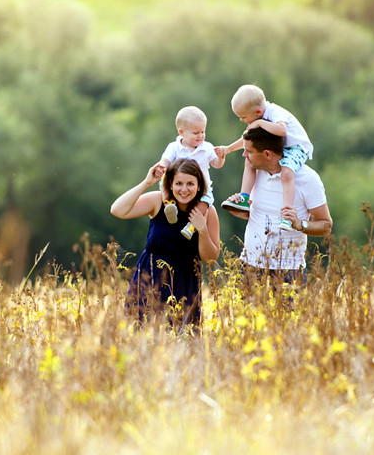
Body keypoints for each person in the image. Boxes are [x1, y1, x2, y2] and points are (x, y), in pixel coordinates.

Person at [110, 158, 220, 325]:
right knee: (140, 331)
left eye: (190, 184)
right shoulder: (158, 201)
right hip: (150, 276)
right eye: (179, 183)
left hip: (185, 281)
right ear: (170, 183)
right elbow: (118, 210)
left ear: (199, 186)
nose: (184, 189)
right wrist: (147, 183)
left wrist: (202, 229)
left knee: (181, 338)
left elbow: (211, 259)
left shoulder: (207, 211)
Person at [223, 126, 332, 282]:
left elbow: (326, 225)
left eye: (249, 151)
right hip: (249, 267)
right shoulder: (254, 173)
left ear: (267, 154)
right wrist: (239, 209)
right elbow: (258, 215)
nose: (244, 154)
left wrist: (299, 224)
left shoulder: (308, 179)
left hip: (289, 272)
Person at [215, 84, 313, 231]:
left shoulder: (274, 113)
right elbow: (248, 140)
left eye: (243, 117)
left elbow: (281, 130)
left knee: (286, 173)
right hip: (279, 147)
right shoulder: (260, 116)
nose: (242, 120)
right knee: (249, 161)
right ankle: (244, 197)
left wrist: (260, 123)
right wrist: (228, 149)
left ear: (258, 112)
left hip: (296, 148)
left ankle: (286, 214)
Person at [158, 106, 226, 240]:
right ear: (181, 132)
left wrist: (221, 157)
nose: (200, 136)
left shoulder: (206, 148)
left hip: (201, 187)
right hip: (177, 184)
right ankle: (170, 206)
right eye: (196, 133)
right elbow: (164, 161)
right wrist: (161, 167)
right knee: (164, 185)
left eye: (203, 131)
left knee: (204, 203)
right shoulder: (174, 147)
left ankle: (191, 226)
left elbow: (216, 165)